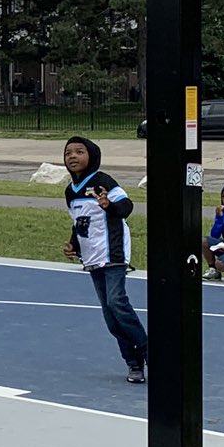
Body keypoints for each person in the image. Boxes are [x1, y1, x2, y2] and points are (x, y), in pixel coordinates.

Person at [61, 135, 147, 383]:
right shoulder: (71, 191)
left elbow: (126, 208)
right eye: (68, 153)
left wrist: (108, 204)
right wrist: (74, 246)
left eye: (79, 151)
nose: (73, 157)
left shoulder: (103, 181)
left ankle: (148, 349)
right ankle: (133, 363)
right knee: (110, 317)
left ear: (92, 156)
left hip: (113, 252)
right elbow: (79, 223)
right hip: (92, 256)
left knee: (117, 302)